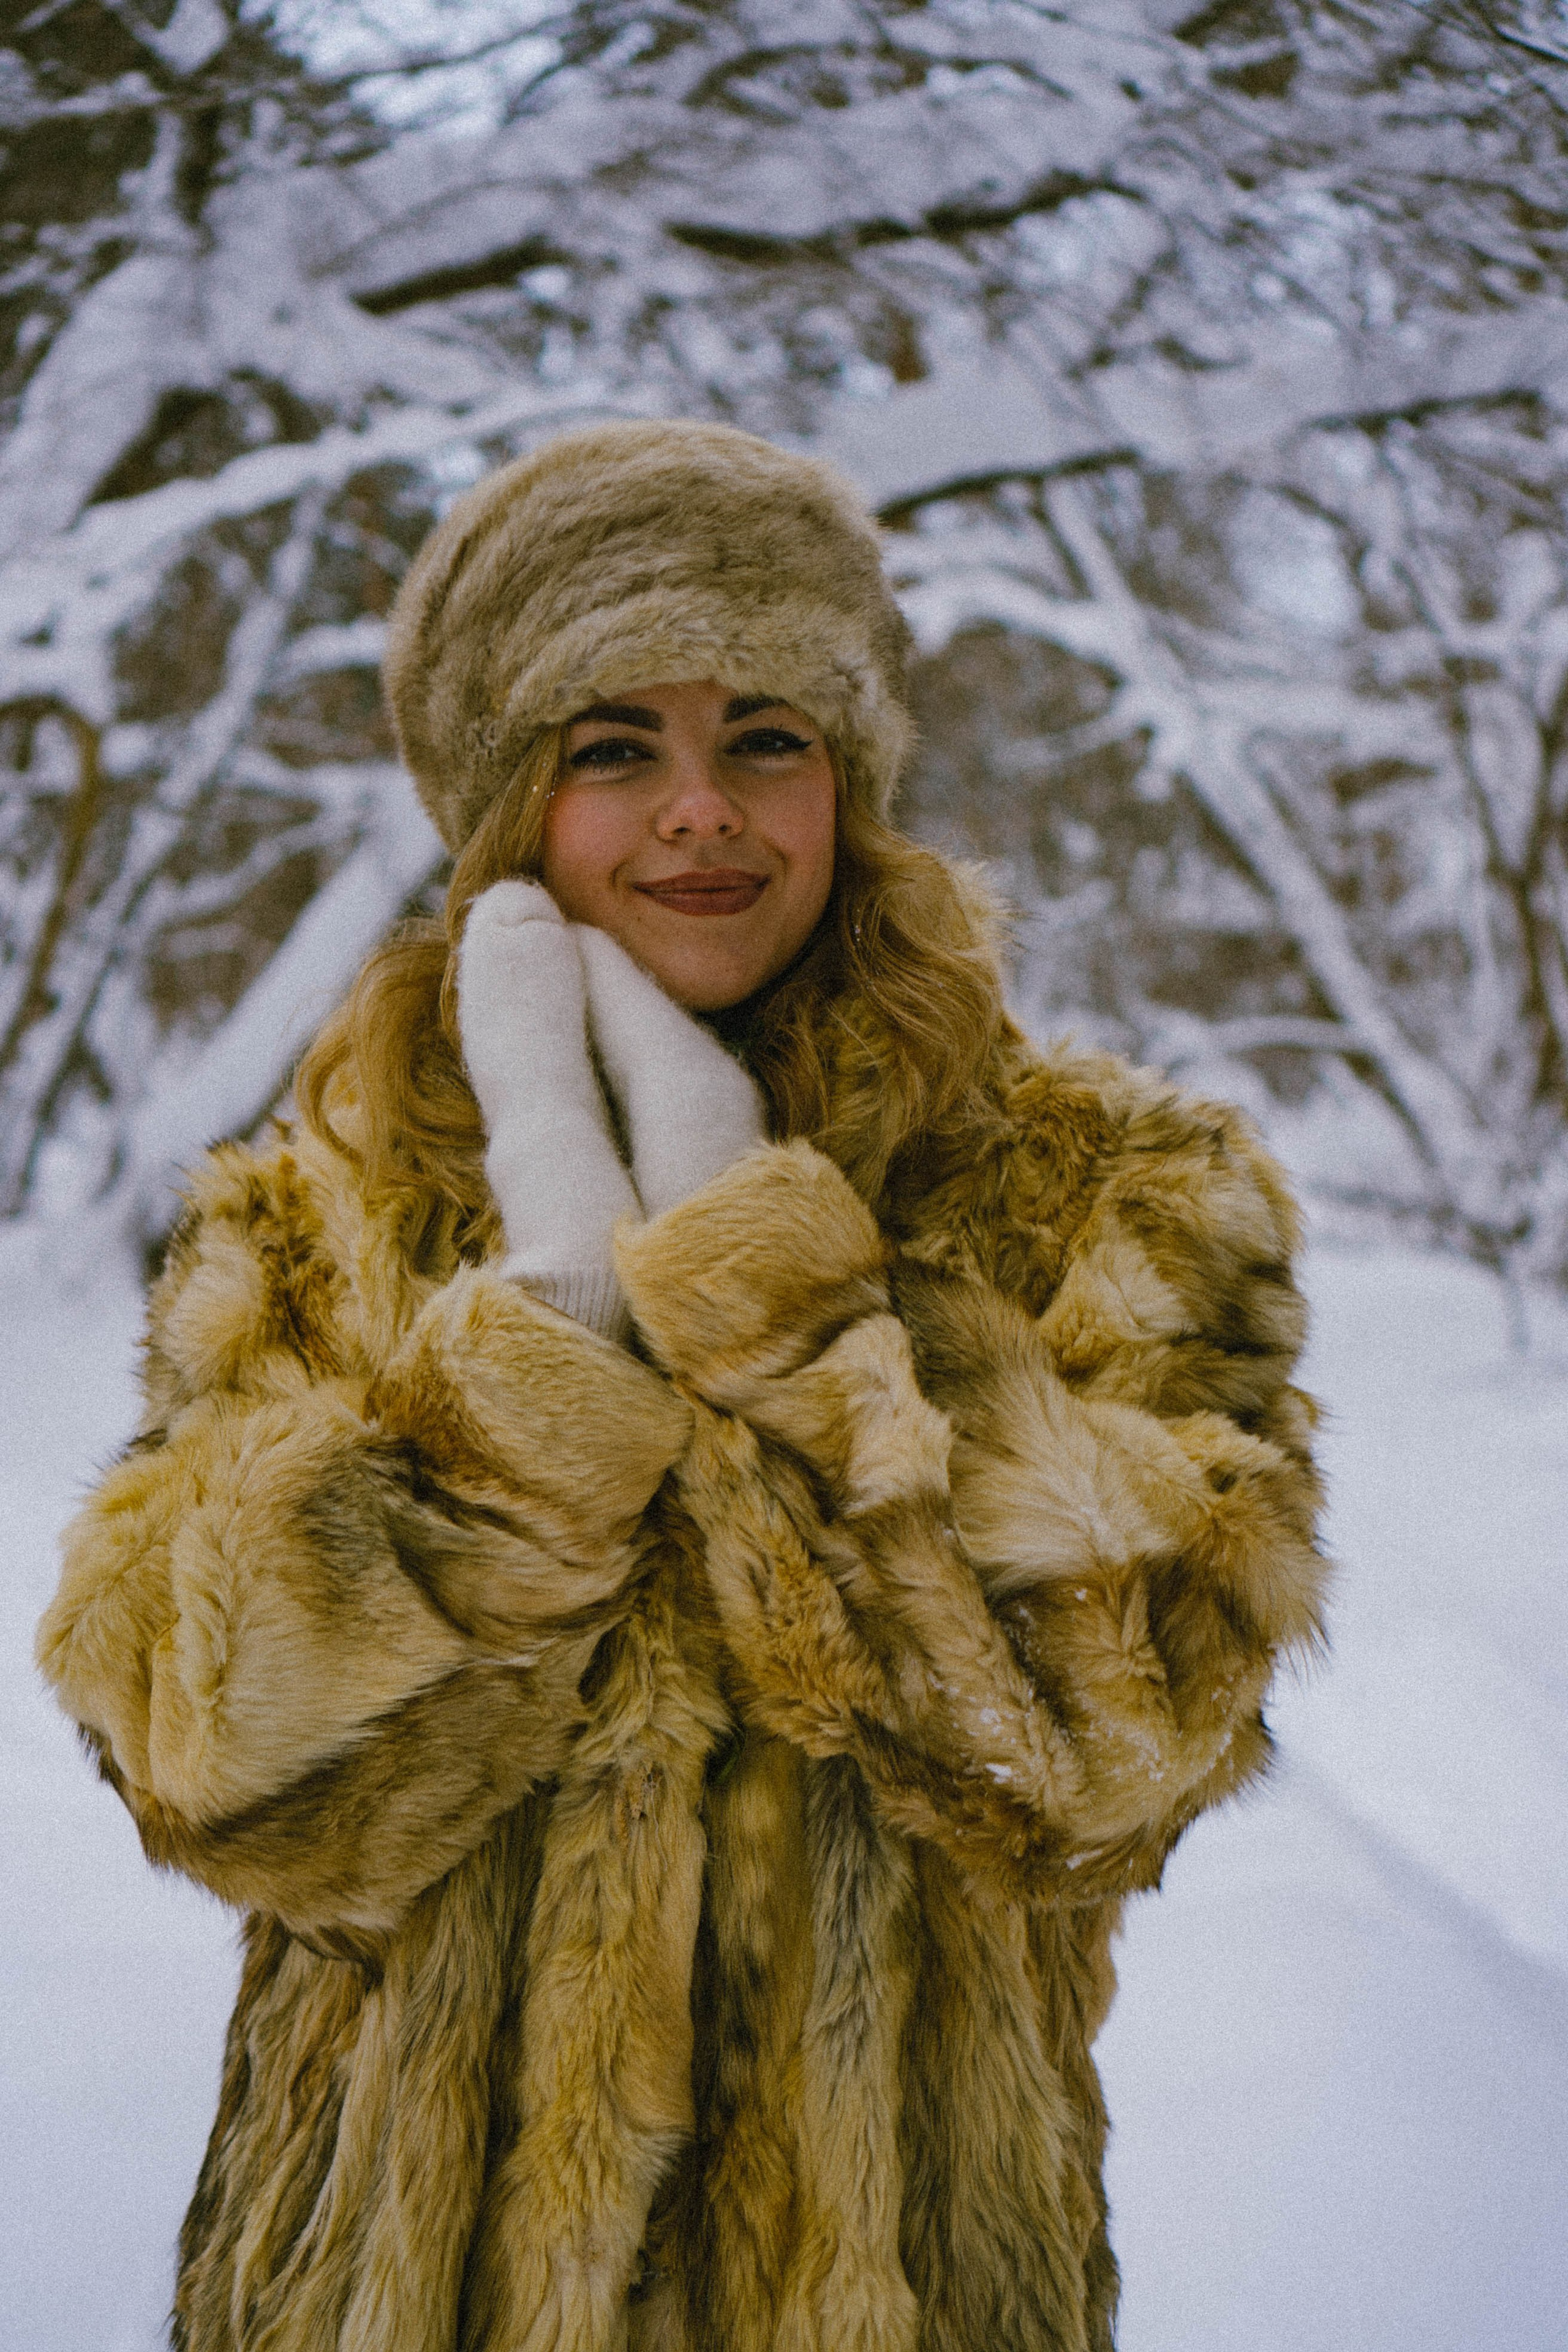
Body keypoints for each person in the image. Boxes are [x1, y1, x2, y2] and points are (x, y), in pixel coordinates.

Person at [37, 420, 1327, 2352]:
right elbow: (210, 1769)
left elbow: (1102, 1755)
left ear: (854, 781)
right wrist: (541, 1356)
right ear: (504, 806)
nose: (700, 811)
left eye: (767, 740)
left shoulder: (1106, 1193)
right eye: (612, 748)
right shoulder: (321, 1214)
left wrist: (779, 1294)